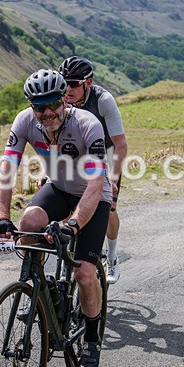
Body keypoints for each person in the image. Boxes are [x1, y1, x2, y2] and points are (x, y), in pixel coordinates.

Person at [0, 69, 112, 367]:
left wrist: (73, 224)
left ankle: (90, 337)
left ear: (64, 101)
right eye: (39, 107)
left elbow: (97, 183)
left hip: (92, 196)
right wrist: (1, 218)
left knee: (85, 273)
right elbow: (6, 171)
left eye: (51, 105)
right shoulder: (24, 121)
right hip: (58, 188)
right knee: (29, 221)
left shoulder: (87, 124)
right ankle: (37, 291)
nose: (46, 113)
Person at [59, 56, 127, 284]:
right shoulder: (61, 100)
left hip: (104, 152)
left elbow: (120, 144)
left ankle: (113, 255)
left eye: (74, 83)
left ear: (88, 83)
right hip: (77, 153)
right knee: (70, 205)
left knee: (109, 209)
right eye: (64, 81)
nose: (68, 88)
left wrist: (114, 182)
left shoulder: (103, 100)